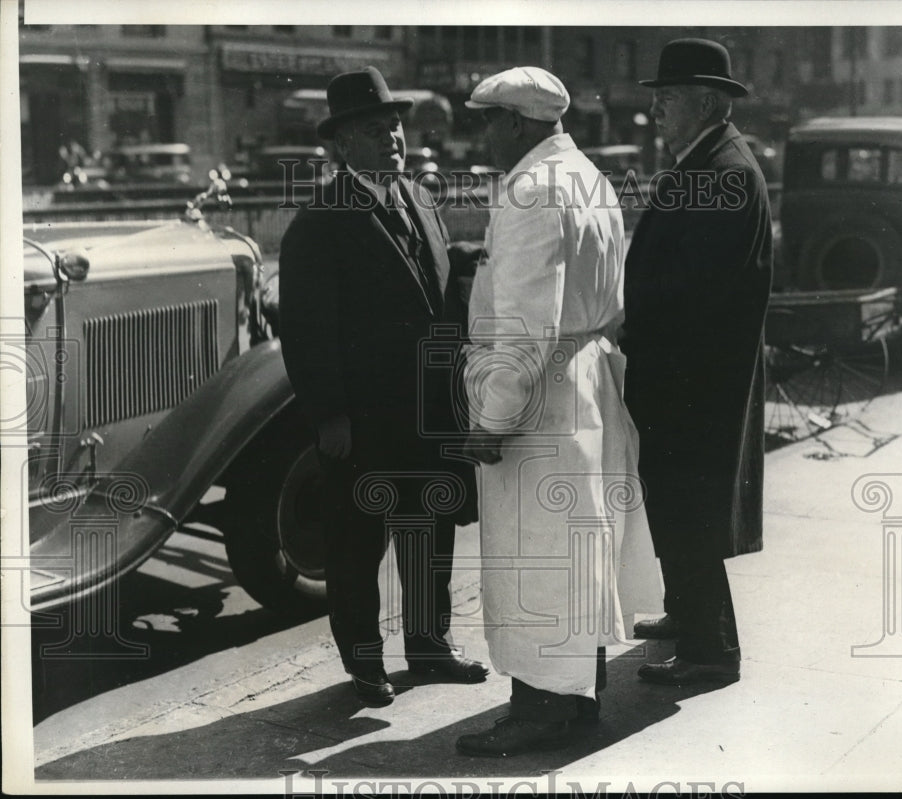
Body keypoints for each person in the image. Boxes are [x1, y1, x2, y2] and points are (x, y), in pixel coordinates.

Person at [455, 66, 661, 757]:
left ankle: (539, 709)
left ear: (516, 122)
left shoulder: (531, 192)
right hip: (588, 380)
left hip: (541, 395)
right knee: (580, 546)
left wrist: (493, 417)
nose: (481, 132)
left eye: (488, 119)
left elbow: (524, 326)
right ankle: (574, 698)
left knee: (536, 552)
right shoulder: (589, 177)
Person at [279, 66, 488, 706]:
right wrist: (330, 418)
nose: (393, 138)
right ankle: (364, 664)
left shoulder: (420, 201)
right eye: (375, 130)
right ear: (341, 145)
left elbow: (442, 293)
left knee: (430, 532)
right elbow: (306, 332)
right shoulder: (319, 222)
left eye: (395, 126)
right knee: (358, 545)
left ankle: (430, 645)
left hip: (427, 409)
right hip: (365, 420)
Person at [623, 39, 773, 684]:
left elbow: (695, 292)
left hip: (694, 384)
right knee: (680, 506)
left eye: (668, 98)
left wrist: (626, 326)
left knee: (693, 510)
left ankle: (711, 652)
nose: (656, 110)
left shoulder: (726, 173)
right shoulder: (705, 162)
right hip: (685, 378)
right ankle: (686, 613)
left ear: (708, 102)